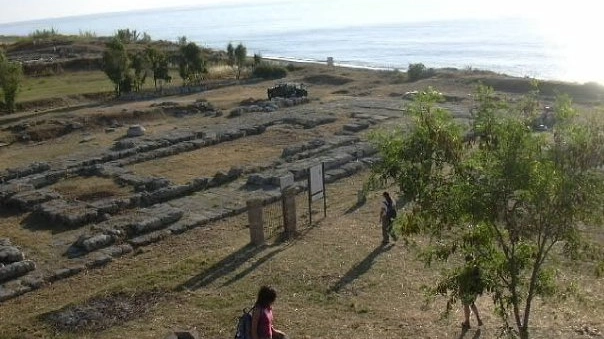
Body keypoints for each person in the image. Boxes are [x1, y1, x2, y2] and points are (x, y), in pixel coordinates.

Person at [459, 254, 484, 330]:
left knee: (466, 305)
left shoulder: (466, 269)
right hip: (474, 290)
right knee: (472, 303)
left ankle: (467, 322)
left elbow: (462, 281)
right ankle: (478, 319)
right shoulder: (477, 269)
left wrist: (460, 290)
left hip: (467, 290)